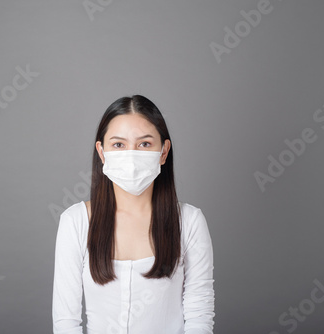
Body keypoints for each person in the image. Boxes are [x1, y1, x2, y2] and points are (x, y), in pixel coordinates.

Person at [52, 95, 215, 334]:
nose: (131, 156)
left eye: (144, 144)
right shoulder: (75, 222)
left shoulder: (189, 222)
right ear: (102, 151)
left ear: (163, 151)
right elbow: (66, 322)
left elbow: (199, 314)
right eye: (119, 144)